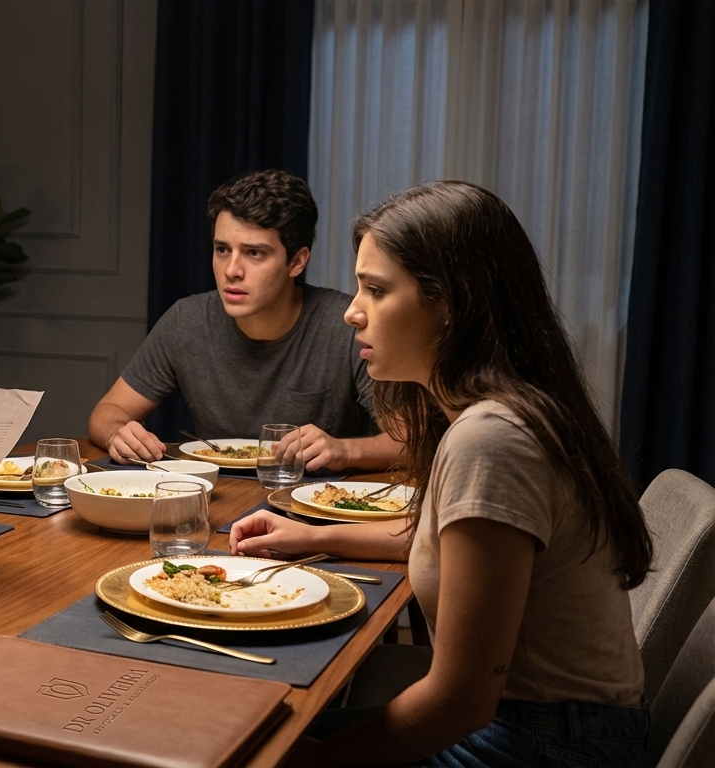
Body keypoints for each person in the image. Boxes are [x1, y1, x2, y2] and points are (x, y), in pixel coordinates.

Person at [230, 181, 652, 766]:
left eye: (376, 290)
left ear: (450, 304)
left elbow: (460, 701)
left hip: (542, 743)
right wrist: (312, 537)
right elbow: (448, 546)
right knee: (263, 733)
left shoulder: (491, 439)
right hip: (559, 725)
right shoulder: (499, 412)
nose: (352, 312)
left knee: (255, 747)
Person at [87, 169, 400, 471]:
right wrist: (118, 432)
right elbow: (107, 412)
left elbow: (412, 444)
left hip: (316, 509)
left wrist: (345, 450)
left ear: (297, 261)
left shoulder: (347, 325)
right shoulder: (187, 320)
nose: (231, 270)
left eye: (254, 253)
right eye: (222, 249)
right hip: (216, 499)